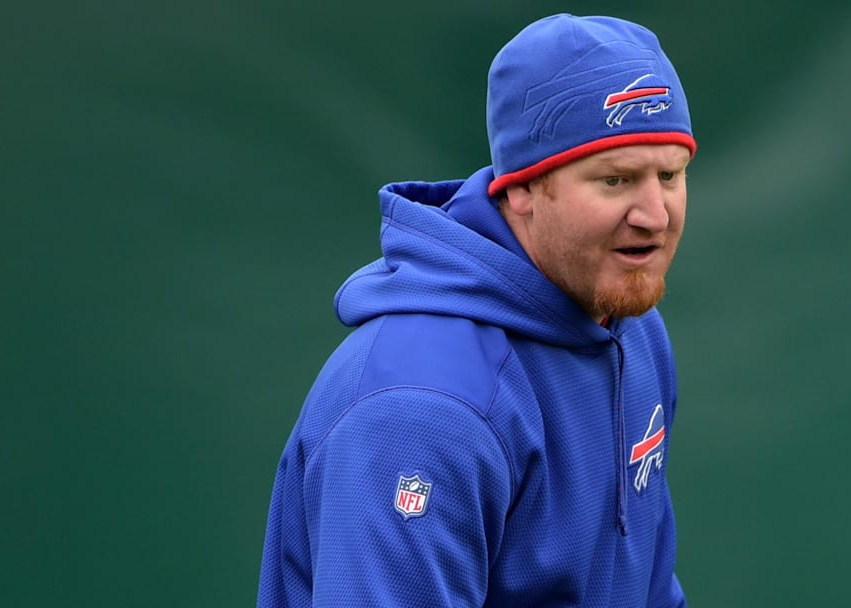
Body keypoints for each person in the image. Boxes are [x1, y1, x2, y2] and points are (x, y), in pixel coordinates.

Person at [257, 13, 697, 607]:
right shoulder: (423, 409)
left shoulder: (631, 331)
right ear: (521, 188)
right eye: (615, 180)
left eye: (669, 175)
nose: (655, 214)